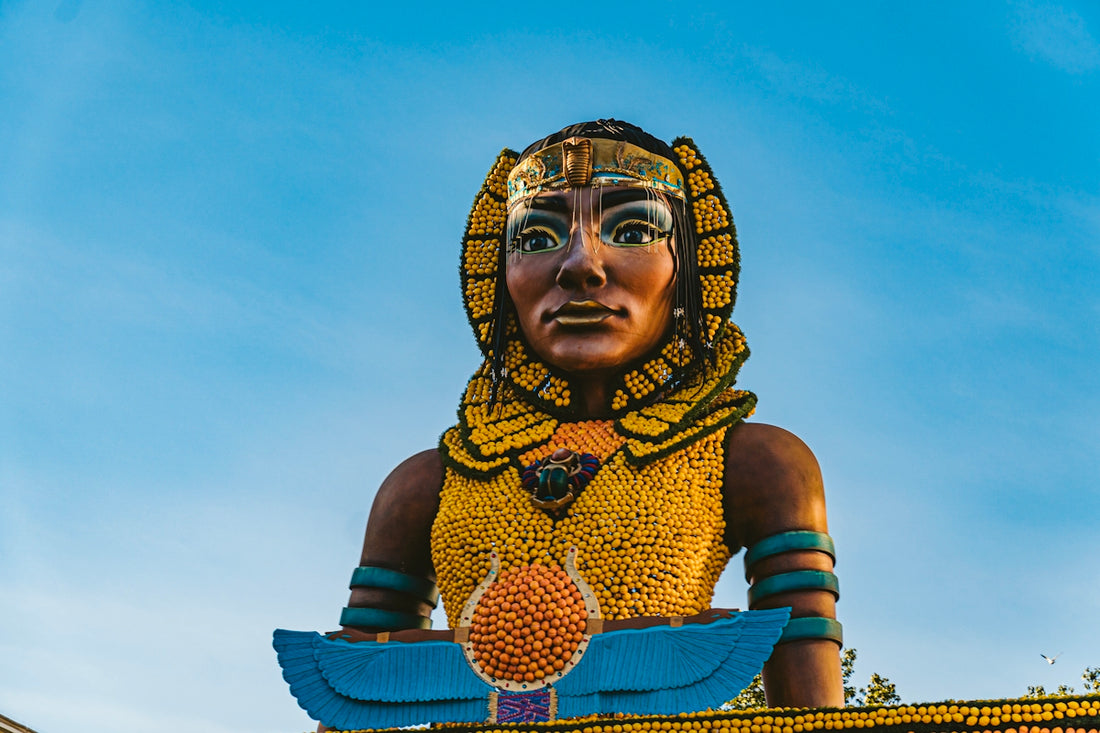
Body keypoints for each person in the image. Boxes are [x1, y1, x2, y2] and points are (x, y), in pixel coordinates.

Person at [335, 120, 842, 711]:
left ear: (690, 269)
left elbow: (810, 706)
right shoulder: (429, 483)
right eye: (536, 237)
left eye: (634, 230)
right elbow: (351, 684)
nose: (580, 264)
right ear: (497, 277)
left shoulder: (757, 462)